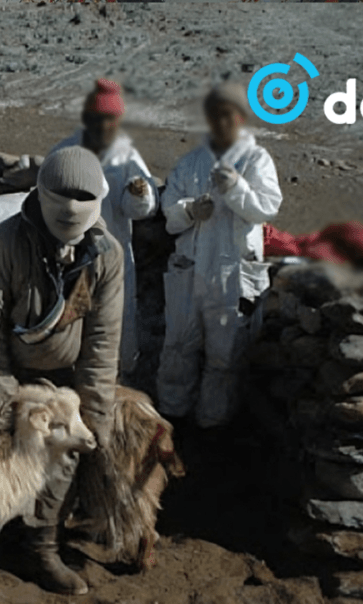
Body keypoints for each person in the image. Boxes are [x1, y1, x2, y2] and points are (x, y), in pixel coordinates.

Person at [0, 146, 124, 595]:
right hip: (6, 372)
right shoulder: (3, 244)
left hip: (62, 377)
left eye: (84, 199)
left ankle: (41, 544)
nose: (72, 209)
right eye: (62, 198)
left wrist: (94, 417)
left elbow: (102, 342)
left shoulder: (105, 256)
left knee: (63, 455)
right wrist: (6, 407)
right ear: (40, 196)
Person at [157, 81, 283, 430]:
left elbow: (266, 207)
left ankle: (214, 426)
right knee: (178, 346)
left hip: (231, 274)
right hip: (191, 269)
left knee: (224, 356)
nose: (220, 122)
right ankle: (172, 417)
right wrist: (190, 210)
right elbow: (169, 209)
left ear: (240, 117)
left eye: (227, 115)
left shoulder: (255, 160)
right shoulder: (192, 162)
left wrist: (237, 189)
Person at [51, 79, 158, 375]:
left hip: (114, 258)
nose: (104, 125)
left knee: (116, 323)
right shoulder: (64, 153)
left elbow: (140, 209)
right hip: (72, 259)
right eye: (99, 118)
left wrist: (140, 194)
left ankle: (117, 385)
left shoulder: (126, 156)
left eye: (110, 119)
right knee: (72, 322)